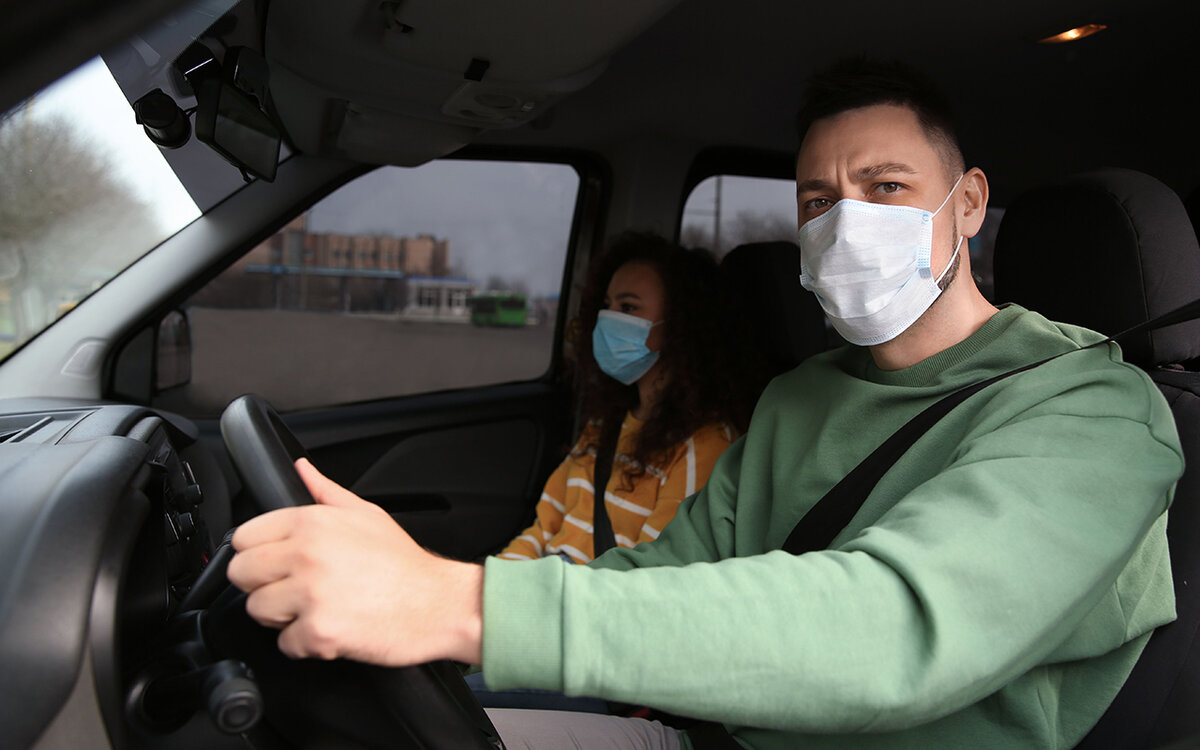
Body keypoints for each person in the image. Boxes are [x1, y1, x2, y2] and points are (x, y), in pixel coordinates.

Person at [227, 58, 1183, 750]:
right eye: (819, 200)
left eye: (886, 186)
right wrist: (422, 592)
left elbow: (899, 625)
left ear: (967, 203)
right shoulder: (802, 397)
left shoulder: (1092, 413)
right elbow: (669, 567)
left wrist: (458, 604)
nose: (847, 221)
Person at [496, 232, 753, 565]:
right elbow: (544, 528)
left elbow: (651, 572)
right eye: (607, 306)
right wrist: (496, 579)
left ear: (679, 324)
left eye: (628, 307)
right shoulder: (605, 424)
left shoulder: (705, 446)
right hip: (550, 581)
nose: (608, 318)